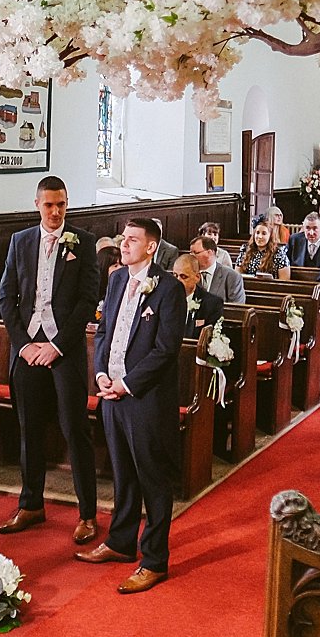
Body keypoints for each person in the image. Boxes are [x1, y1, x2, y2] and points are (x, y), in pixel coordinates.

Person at [77, 218, 188, 594]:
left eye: (132, 240)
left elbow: (166, 349)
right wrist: (101, 374)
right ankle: (121, 542)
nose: (124, 245)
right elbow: (105, 331)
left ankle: (154, 560)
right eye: (124, 239)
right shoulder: (116, 280)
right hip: (111, 394)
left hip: (145, 399)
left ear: (151, 246)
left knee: (152, 479)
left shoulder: (169, 289)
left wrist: (126, 384)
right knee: (122, 473)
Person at [0, 176, 101, 544]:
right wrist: (23, 345)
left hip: (64, 350)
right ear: (37, 204)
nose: (55, 212)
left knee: (75, 429)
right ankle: (31, 504)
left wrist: (56, 345)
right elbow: (7, 298)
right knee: (29, 429)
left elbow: (87, 301)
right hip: (27, 349)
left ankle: (87, 514)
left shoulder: (83, 242)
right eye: (49, 205)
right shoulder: (20, 241)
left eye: (61, 205)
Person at [173, 253, 222, 336]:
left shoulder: (212, 304)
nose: (178, 281)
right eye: (175, 276)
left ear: (197, 277)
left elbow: (211, 338)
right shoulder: (165, 299)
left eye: (183, 277)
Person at [190, 235, 245, 304]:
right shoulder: (189, 274)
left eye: (195, 253)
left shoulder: (232, 276)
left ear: (209, 253)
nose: (191, 257)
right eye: (190, 253)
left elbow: (236, 307)